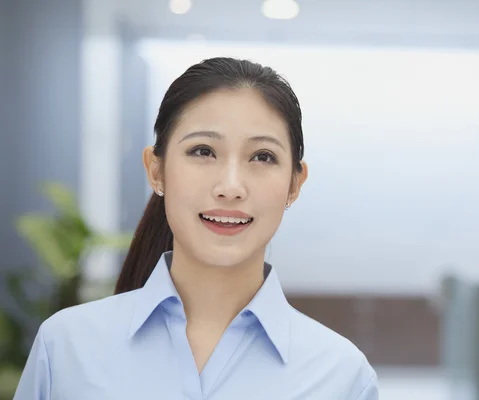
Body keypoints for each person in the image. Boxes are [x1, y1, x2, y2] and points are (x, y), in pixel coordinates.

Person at [14, 57, 378, 399]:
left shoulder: (342, 376)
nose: (231, 186)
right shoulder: (65, 347)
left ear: (294, 185)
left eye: (262, 157)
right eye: (203, 151)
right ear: (156, 170)